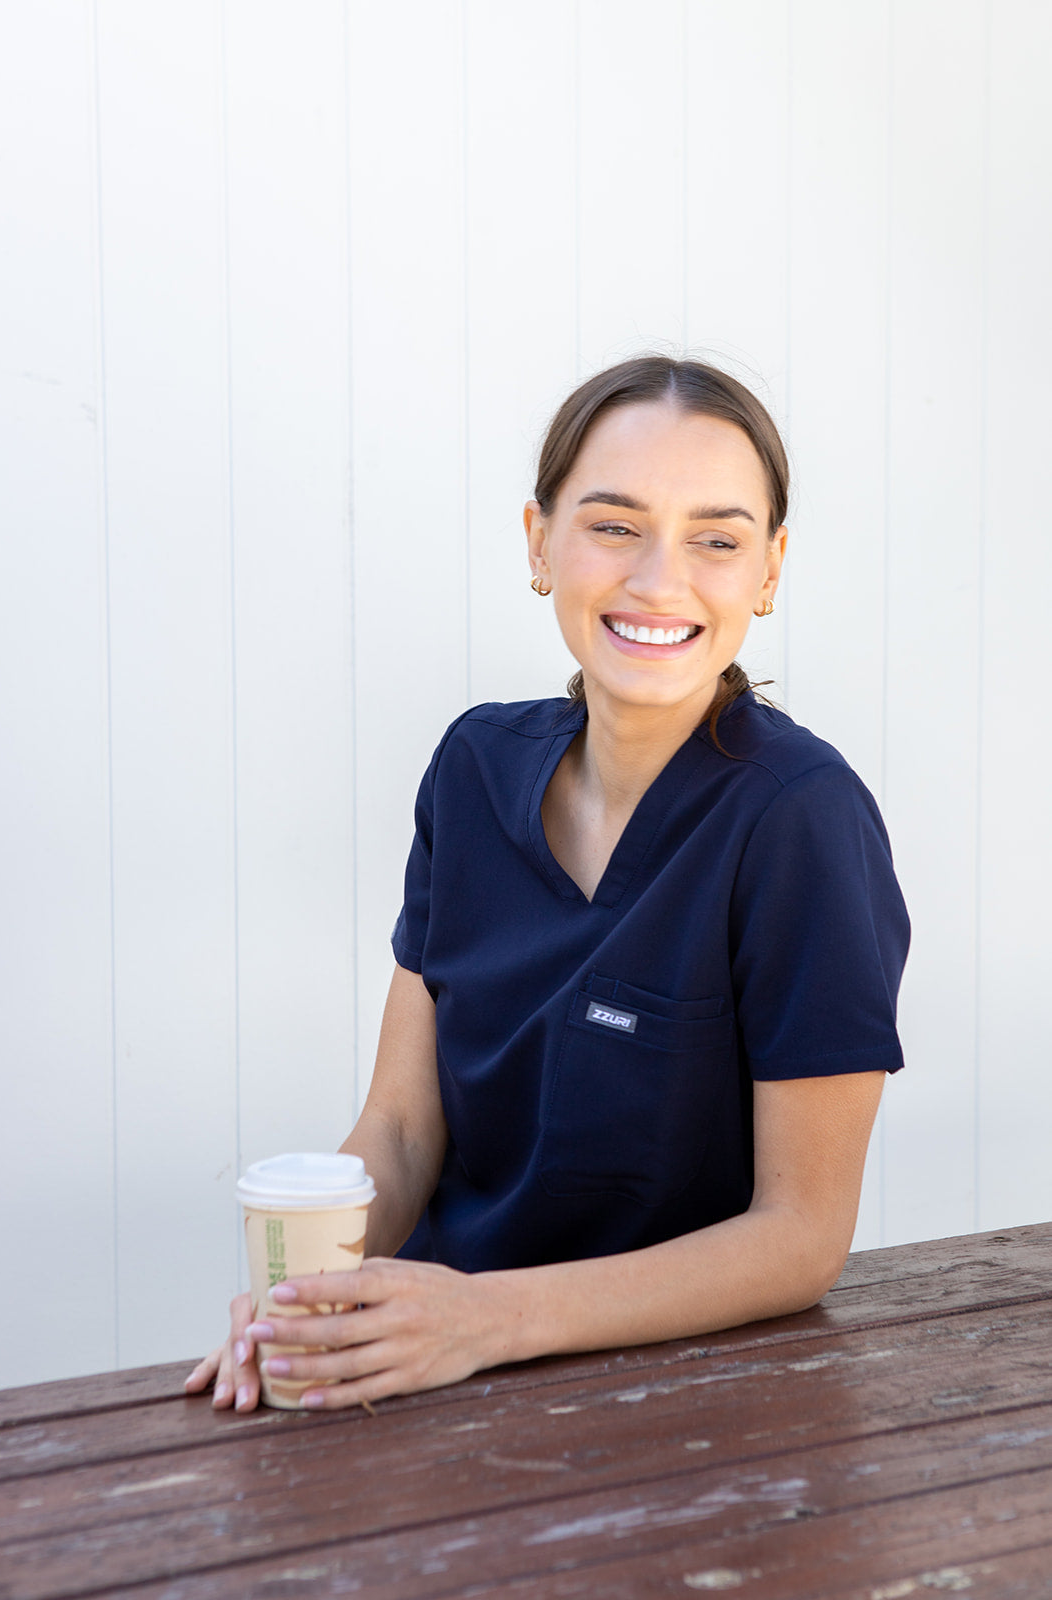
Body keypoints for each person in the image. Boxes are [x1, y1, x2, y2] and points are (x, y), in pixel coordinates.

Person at [186, 355, 909, 1413]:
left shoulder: (798, 816)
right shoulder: (472, 769)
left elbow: (798, 1238)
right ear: (539, 541)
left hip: (681, 1400)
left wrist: (488, 1320)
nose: (661, 578)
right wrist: (311, 1293)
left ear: (767, 568)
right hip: (431, 1369)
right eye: (613, 524)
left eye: (716, 538)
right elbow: (398, 1129)